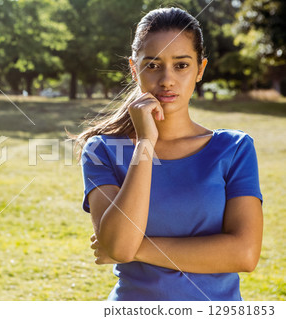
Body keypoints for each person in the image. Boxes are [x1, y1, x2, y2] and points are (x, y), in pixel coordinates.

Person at [76, 7, 263, 301]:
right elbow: (120, 248)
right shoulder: (102, 150)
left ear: (200, 69)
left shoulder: (235, 148)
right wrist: (145, 144)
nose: (167, 80)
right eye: (152, 65)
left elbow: (245, 253)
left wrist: (138, 248)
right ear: (134, 69)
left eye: (181, 65)